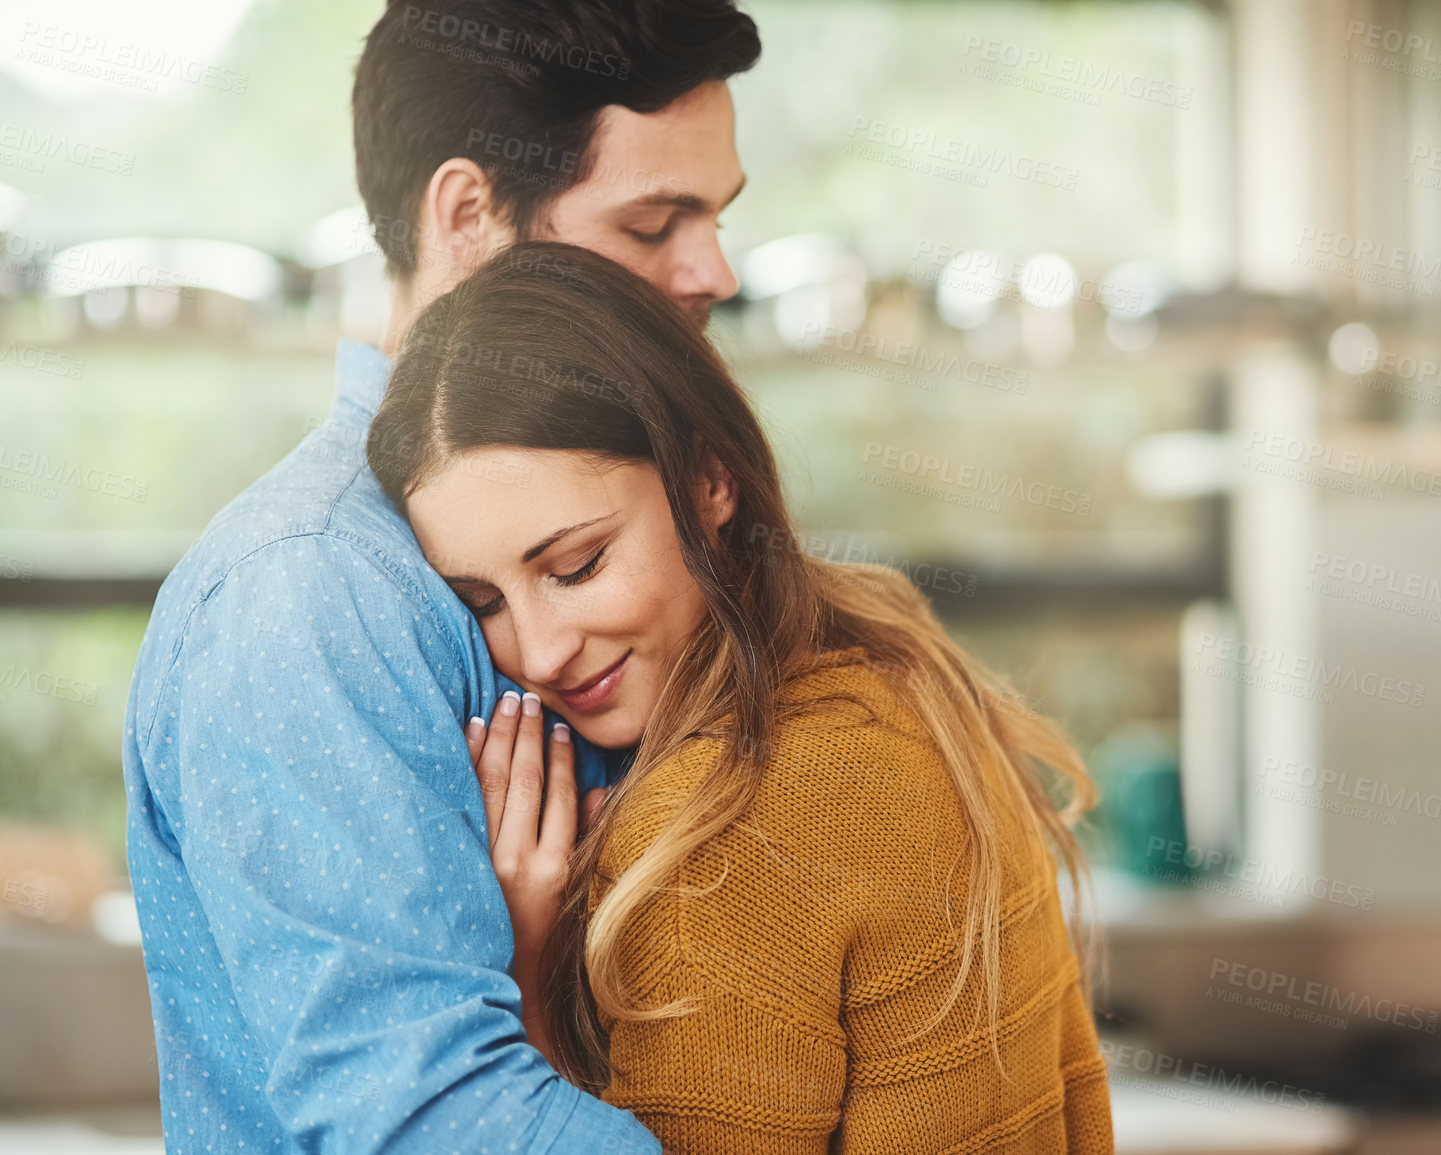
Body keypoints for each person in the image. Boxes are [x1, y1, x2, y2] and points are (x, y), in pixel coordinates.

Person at [121, 2, 758, 1150]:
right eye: (655, 222)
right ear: (468, 215)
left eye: (714, 215)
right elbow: (425, 1114)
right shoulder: (310, 593)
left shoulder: (664, 502)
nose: (712, 269)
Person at [366, 240, 1116, 1152]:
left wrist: (524, 985)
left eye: (576, 564)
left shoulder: (719, 834)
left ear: (708, 477)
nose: (541, 651)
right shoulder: (891, 657)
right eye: (483, 602)